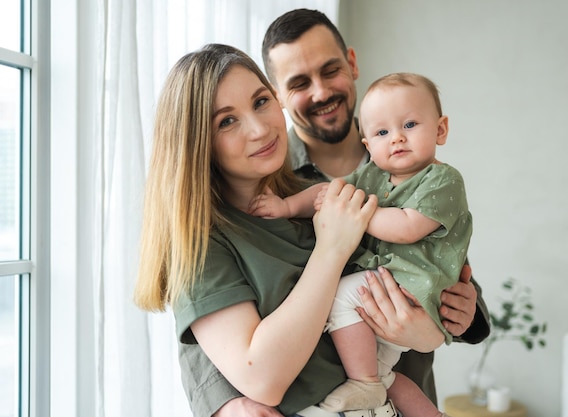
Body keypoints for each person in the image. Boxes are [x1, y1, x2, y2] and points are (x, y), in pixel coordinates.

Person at [177, 8, 490, 417]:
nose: (322, 92)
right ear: (280, 93)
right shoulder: (264, 176)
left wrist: (461, 317)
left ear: (352, 64)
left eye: (330, 70)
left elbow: (448, 264)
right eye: (300, 83)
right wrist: (222, 401)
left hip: (404, 387)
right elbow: (210, 309)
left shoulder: (407, 157)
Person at [134, 43, 433, 417]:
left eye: (260, 101)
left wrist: (430, 332)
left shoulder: (318, 193)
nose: (260, 129)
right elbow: (261, 379)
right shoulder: (203, 244)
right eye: (227, 121)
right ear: (197, 143)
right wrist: (331, 250)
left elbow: (418, 274)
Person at [249, 72, 469, 417]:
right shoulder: (372, 176)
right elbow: (328, 193)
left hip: (414, 290)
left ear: (440, 129)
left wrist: (353, 213)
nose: (396, 138)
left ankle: (363, 381)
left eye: (409, 125)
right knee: (388, 375)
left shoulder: (443, 179)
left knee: (337, 296)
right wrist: (287, 207)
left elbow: (409, 227)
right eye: (382, 132)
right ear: (369, 145)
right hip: (390, 291)